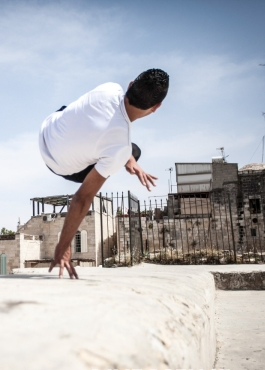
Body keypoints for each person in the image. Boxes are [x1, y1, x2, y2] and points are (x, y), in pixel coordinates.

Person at [38, 69, 169, 279]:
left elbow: (101, 126)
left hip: (48, 128)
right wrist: (63, 247)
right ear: (156, 108)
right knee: (127, 150)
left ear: (130, 84)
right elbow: (82, 199)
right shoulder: (119, 145)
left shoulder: (110, 88)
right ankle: (126, 157)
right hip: (58, 165)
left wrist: (126, 156)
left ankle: (127, 157)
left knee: (123, 148)